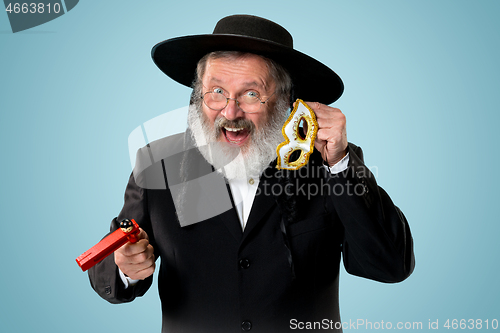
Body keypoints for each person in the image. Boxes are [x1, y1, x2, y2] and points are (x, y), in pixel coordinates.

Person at [88, 14, 415, 333]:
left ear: (286, 100)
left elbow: (390, 265)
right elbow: (112, 265)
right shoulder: (157, 162)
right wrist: (125, 266)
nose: (230, 112)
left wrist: (339, 162)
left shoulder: (329, 163)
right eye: (216, 91)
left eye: (252, 94)